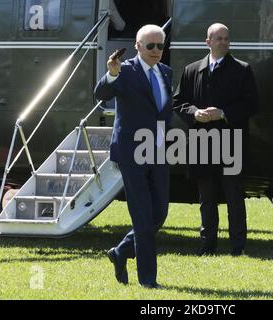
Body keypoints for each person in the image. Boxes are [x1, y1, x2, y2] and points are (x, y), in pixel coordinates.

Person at [94, 24, 172, 288]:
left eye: (160, 45)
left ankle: (120, 252)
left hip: (159, 152)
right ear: (138, 46)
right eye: (150, 46)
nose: (156, 50)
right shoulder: (124, 71)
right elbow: (100, 94)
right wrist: (111, 75)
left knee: (159, 213)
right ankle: (148, 280)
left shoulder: (166, 72)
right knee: (142, 216)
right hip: (131, 153)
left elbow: (162, 113)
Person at [173, 23, 259, 256]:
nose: (223, 42)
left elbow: (252, 105)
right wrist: (194, 113)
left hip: (231, 142)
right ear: (207, 41)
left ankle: (238, 246)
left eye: (226, 38)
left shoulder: (242, 70)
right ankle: (207, 244)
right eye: (218, 38)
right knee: (206, 199)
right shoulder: (192, 70)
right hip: (201, 142)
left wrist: (223, 113)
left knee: (234, 197)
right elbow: (179, 102)